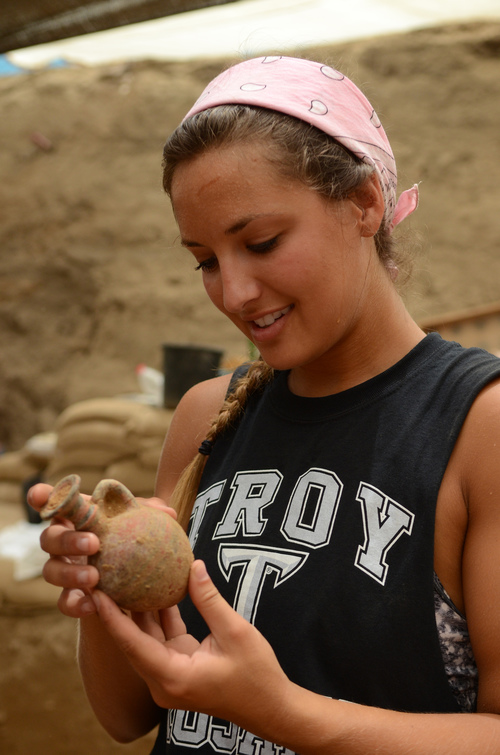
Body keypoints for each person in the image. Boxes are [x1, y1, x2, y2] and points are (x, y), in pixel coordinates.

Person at [29, 55, 500, 753]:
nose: (235, 292)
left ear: (365, 202)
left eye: (262, 242)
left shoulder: (476, 426)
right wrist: (108, 589)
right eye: (207, 260)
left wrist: (282, 712)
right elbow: (128, 713)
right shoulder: (204, 417)